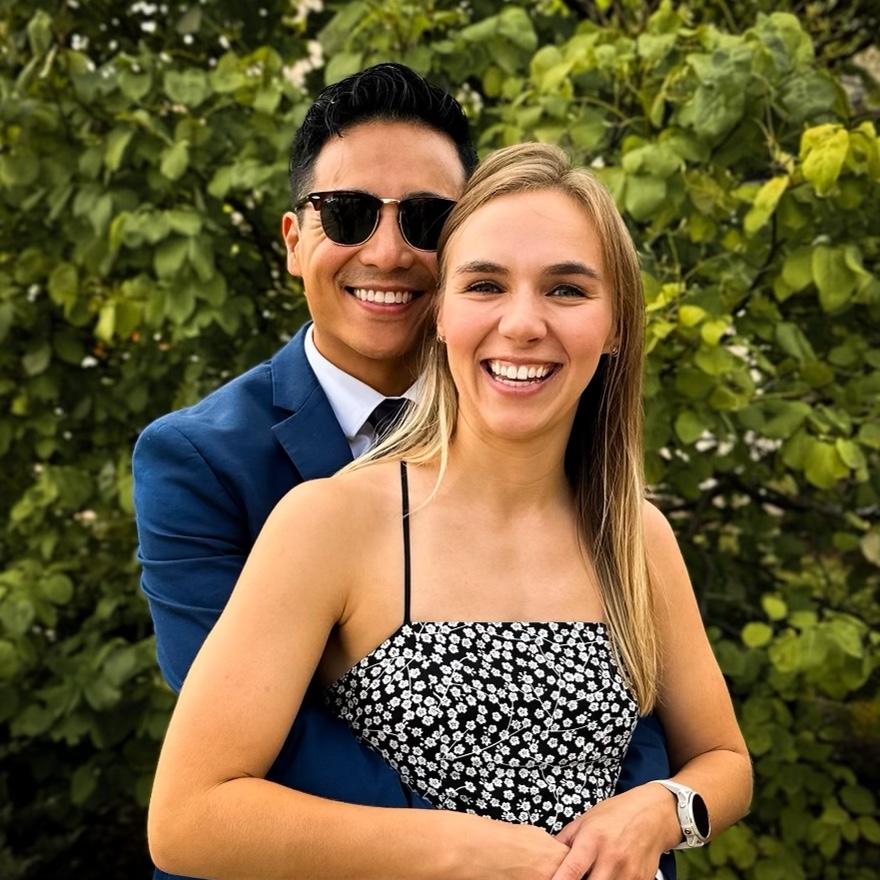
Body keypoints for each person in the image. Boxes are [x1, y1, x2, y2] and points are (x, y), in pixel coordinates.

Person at [146, 142, 752, 880]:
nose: (523, 323)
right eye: (485, 285)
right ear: (440, 315)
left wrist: (662, 808)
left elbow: (723, 759)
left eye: (566, 290)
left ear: (616, 326)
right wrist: (461, 849)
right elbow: (189, 819)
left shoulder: (633, 534)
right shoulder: (330, 522)